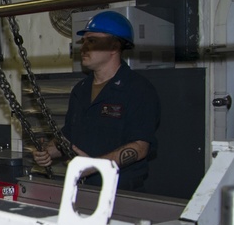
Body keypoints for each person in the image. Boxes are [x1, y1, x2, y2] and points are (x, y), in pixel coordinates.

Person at [33, 10, 160, 190]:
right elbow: (69, 137)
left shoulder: (138, 89)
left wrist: (94, 166)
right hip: (82, 188)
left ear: (114, 47)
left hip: (119, 191)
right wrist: (48, 152)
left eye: (91, 41)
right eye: (84, 41)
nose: (83, 47)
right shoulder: (81, 90)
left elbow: (140, 147)